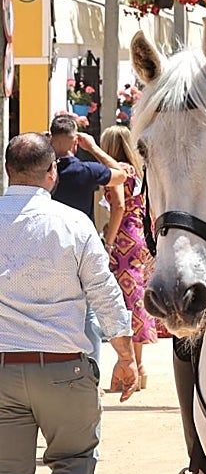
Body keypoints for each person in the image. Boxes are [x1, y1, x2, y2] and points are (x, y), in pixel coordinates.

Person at [0, 132, 138, 474]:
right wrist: (126, 357)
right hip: (66, 368)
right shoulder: (73, 223)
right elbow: (105, 293)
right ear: (51, 172)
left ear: (7, 172)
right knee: (75, 462)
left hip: (3, 370)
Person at [49, 113, 129, 360]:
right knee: (89, 313)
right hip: (82, 244)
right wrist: (93, 148)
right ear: (76, 142)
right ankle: (91, 370)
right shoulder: (86, 170)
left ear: (51, 138)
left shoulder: (43, 171)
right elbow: (122, 174)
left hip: (49, 242)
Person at [99, 124, 159, 391]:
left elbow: (119, 207)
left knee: (125, 301)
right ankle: (139, 364)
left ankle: (131, 367)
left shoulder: (120, 172)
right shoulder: (136, 170)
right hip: (139, 237)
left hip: (123, 237)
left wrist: (108, 242)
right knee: (135, 298)